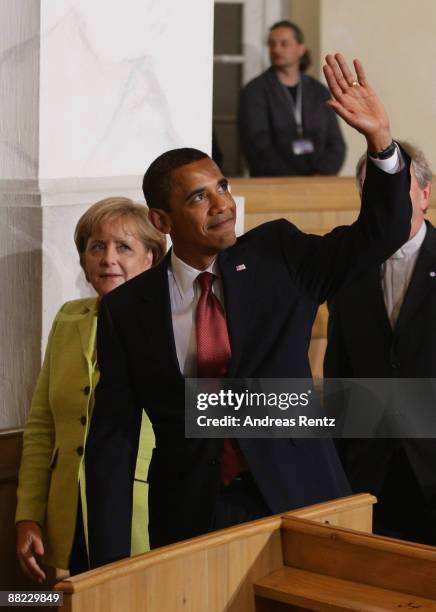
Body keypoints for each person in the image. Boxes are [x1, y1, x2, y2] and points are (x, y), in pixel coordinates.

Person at [86, 54, 412, 567]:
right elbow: (113, 438)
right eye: (200, 197)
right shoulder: (128, 309)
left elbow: (380, 234)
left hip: (300, 497)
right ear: (161, 219)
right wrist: (104, 568)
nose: (223, 204)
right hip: (193, 514)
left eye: (223, 187)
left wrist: (382, 145)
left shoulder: (277, 255)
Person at [15, 197, 166, 582]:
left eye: (124, 247)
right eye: (97, 246)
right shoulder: (69, 318)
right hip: (70, 515)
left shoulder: (172, 325)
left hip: (144, 513)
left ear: (151, 259)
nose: (107, 258)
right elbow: (41, 427)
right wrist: (29, 514)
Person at [324, 141, 436, 545]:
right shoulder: (348, 271)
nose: (386, 204)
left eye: (398, 190)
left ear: (426, 194)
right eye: (374, 194)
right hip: (368, 475)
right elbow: (339, 372)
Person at [238, 20, 345, 177]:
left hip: (319, 182)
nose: (276, 49)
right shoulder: (254, 91)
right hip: (274, 183)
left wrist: (322, 173)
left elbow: (336, 144)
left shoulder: (319, 91)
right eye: (272, 44)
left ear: (301, 49)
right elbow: (256, 146)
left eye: (284, 43)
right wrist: (293, 179)